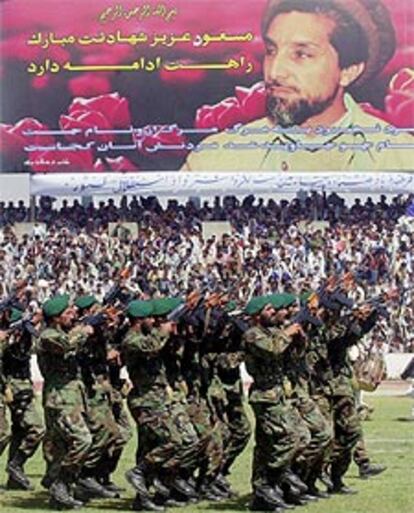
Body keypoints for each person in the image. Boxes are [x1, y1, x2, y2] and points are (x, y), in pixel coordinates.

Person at [181, 0, 413, 172]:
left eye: (301, 54)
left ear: (348, 71)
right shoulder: (214, 161)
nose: (274, 72)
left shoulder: (403, 159)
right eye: (271, 51)